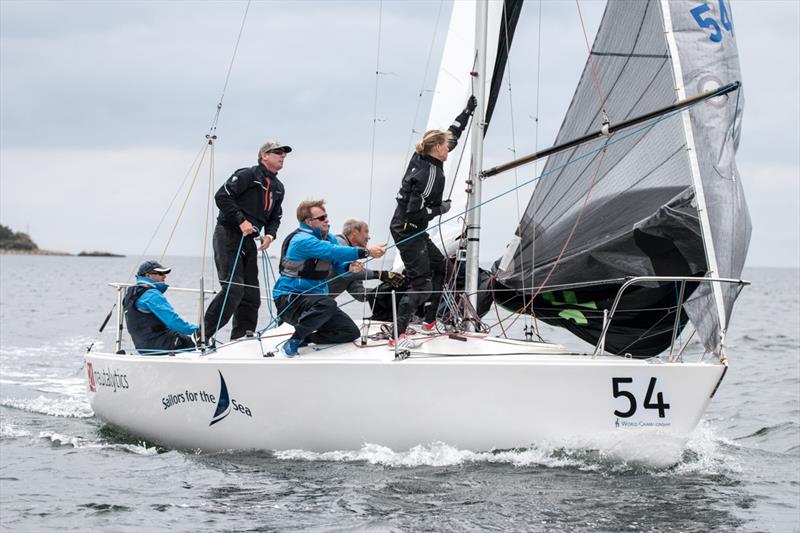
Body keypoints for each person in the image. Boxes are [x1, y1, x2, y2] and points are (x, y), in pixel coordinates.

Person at [389, 96, 476, 347]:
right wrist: (440, 209)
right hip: (407, 230)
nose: (449, 148)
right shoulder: (428, 174)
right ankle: (399, 334)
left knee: (443, 269)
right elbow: (414, 213)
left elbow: (452, 135)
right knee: (421, 284)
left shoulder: (427, 158)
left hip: (416, 231)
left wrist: (466, 112)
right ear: (437, 148)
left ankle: (429, 322)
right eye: (445, 146)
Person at [272, 200, 386, 357]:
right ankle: (294, 340)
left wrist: (349, 267)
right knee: (327, 304)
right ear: (308, 222)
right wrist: (366, 252)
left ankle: (306, 337)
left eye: (326, 216)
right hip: (290, 300)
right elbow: (332, 251)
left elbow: (340, 265)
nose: (327, 220)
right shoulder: (302, 240)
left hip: (315, 301)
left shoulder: (329, 237)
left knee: (350, 332)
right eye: (321, 218)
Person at [204, 140, 290, 341]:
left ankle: (241, 338)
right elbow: (221, 196)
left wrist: (270, 235)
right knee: (233, 289)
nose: (282, 155)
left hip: (249, 241)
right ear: (264, 156)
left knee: (251, 295)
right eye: (278, 152)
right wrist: (241, 221)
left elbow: (275, 217)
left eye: (284, 153)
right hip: (228, 233)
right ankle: (201, 335)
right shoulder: (248, 175)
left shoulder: (278, 187)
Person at [123, 260, 199, 354]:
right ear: (148, 275)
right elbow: (173, 321)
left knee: (181, 334)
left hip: (142, 347)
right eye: (160, 273)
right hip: (161, 345)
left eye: (164, 273)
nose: (164, 276)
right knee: (200, 343)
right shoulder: (151, 294)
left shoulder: (131, 293)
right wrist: (201, 331)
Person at [327, 218, 404, 303]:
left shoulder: (353, 262)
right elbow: (348, 272)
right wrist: (381, 274)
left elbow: (360, 293)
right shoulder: (338, 242)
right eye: (366, 232)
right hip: (313, 300)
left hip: (323, 303)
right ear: (354, 232)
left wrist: (385, 291)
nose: (369, 237)